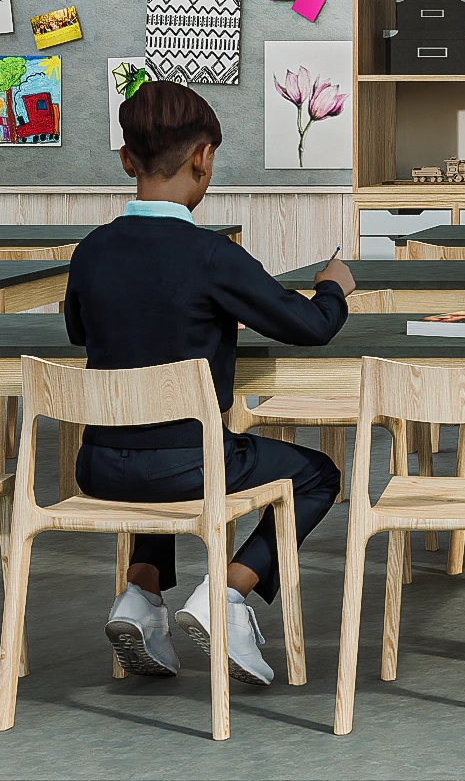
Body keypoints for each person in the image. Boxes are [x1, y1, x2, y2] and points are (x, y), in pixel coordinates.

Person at [64, 81, 353, 687]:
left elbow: (76, 329)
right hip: (189, 465)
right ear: (204, 158)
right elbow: (312, 326)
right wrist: (333, 287)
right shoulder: (211, 256)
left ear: (126, 159)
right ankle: (226, 592)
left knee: (154, 434)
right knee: (319, 473)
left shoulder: (92, 252)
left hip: (98, 465)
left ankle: (140, 598)